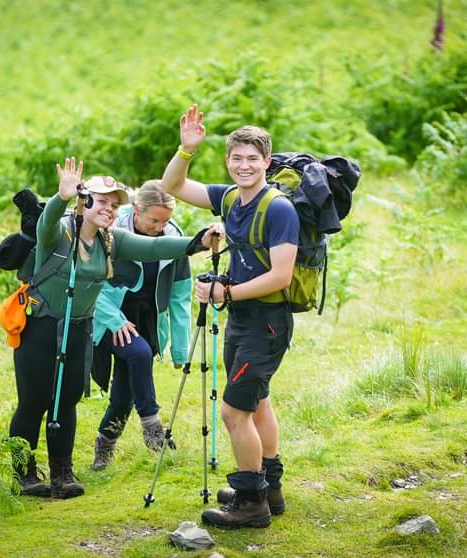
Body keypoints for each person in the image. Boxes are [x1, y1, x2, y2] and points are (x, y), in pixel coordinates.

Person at [11, 158, 219, 499]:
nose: (109, 208)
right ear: (84, 202)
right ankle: (24, 474)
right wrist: (61, 198)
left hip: (79, 330)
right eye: (102, 201)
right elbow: (45, 224)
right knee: (33, 402)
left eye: (113, 203)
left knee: (66, 401)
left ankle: (63, 473)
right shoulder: (59, 233)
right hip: (40, 327)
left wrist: (197, 242)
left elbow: (154, 248)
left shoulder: (111, 240)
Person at [160, 105, 297, 528]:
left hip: (267, 322)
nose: (243, 165)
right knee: (257, 405)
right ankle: (267, 487)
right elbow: (173, 186)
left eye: (252, 159)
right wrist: (186, 149)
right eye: (236, 158)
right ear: (228, 161)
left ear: (266, 163)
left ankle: (251, 502)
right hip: (241, 319)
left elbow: (281, 276)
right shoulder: (230, 197)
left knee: (233, 413)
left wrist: (227, 291)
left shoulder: (279, 210)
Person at [89, 181, 192, 471]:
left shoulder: (174, 238)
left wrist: (180, 350)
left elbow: (179, 297)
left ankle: (103, 448)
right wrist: (114, 320)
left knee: (123, 396)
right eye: (153, 220)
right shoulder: (109, 232)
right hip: (108, 317)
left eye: (165, 221)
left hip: (145, 320)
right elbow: (91, 283)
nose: (160, 227)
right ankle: (153, 428)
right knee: (140, 354)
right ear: (135, 210)